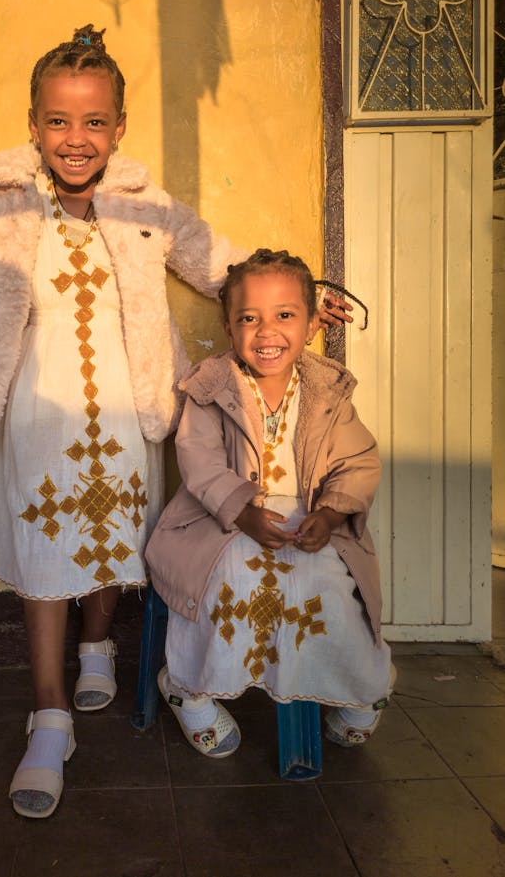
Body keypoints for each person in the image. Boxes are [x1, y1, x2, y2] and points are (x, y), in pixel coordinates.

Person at [0, 28, 349, 817]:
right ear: (34, 123)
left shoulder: (147, 208)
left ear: (118, 126)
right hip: (35, 403)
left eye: (92, 123)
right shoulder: (3, 194)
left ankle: (96, 645)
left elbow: (225, 261)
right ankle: (48, 718)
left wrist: (307, 293)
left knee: (117, 532)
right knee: (45, 544)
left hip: (127, 399)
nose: (74, 140)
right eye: (57, 121)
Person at [144, 248, 394, 759]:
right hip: (221, 518)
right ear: (228, 325)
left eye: (285, 316)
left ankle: (357, 685)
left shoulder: (327, 390)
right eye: (249, 318)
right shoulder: (211, 387)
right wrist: (242, 511)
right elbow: (200, 462)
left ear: (308, 322)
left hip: (310, 517)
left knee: (324, 581)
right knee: (234, 575)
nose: (267, 331)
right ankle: (190, 686)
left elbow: (358, 461)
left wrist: (328, 513)